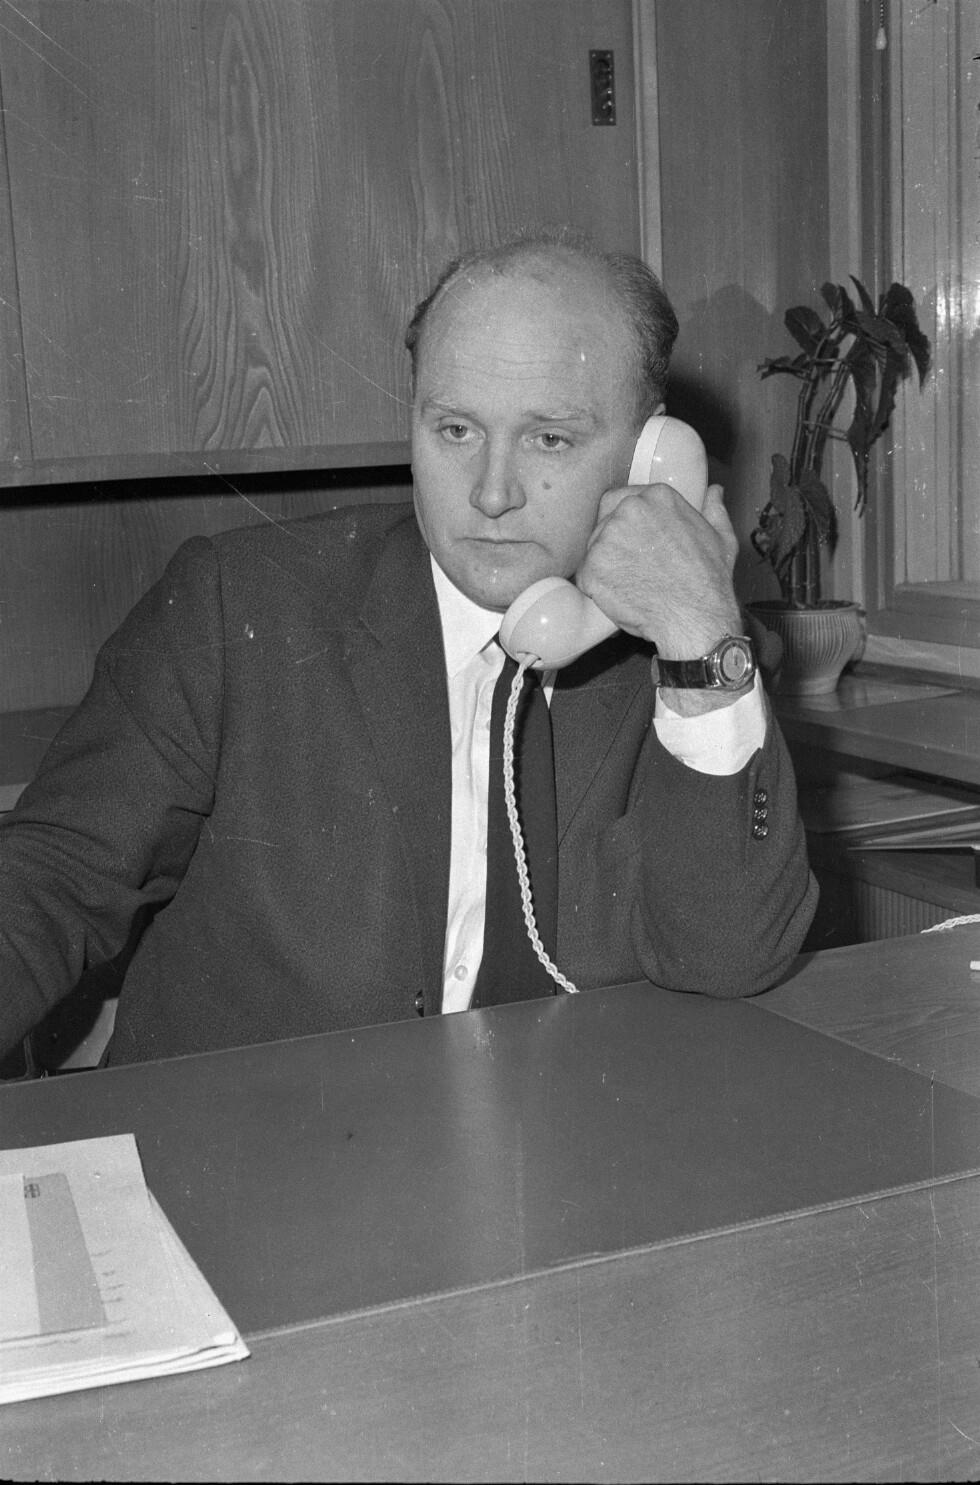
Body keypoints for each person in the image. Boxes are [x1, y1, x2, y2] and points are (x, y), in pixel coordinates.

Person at [0, 229, 816, 1066]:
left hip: (545, 1140)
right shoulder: (236, 604)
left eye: (549, 439)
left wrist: (696, 635)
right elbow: (50, 877)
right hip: (254, 1132)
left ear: (653, 457)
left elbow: (730, 955)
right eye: (455, 430)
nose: (491, 494)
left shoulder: (693, 662)